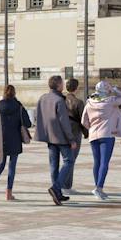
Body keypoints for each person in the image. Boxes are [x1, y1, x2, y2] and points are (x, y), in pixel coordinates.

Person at [81, 81, 121, 201]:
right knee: (104, 162)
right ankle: (99, 188)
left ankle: (97, 187)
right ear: (107, 90)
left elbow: (83, 121)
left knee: (97, 162)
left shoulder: (89, 102)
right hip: (107, 134)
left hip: (93, 134)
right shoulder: (110, 101)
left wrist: (91, 128)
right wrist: (115, 89)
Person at [0, 84, 29, 199]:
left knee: (1, 164)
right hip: (15, 140)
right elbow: (27, 123)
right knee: (12, 166)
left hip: (1, 139)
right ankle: (8, 192)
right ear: (14, 93)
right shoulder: (19, 106)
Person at [34, 76, 73, 205]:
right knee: (69, 161)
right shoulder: (59, 100)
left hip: (49, 136)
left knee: (53, 165)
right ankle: (56, 188)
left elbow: (36, 115)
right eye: (62, 83)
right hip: (60, 137)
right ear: (58, 85)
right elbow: (64, 122)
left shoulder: (42, 98)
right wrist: (71, 139)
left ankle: (58, 194)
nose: (63, 85)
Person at [61, 78, 87, 195]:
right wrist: (87, 133)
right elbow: (83, 120)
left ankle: (64, 184)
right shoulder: (79, 102)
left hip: (62, 133)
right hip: (75, 133)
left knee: (66, 159)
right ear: (76, 88)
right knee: (71, 160)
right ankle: (66, 185)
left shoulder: (61, 100)